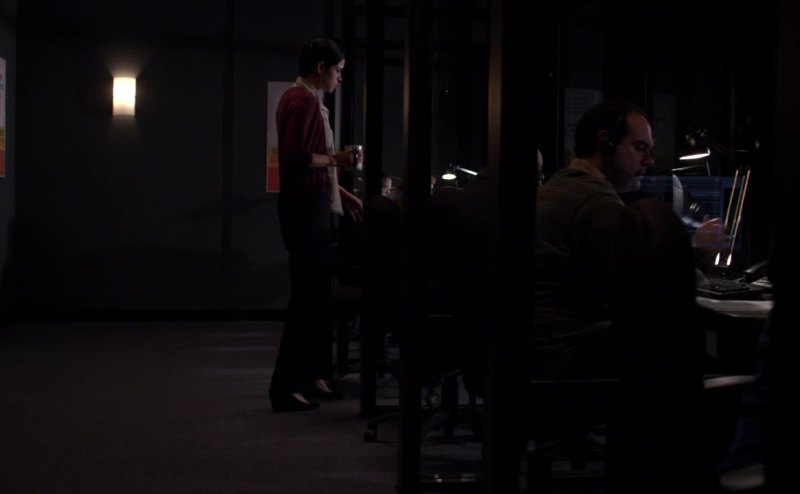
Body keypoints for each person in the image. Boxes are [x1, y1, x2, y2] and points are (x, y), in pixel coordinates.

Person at [531, 99, 656, 379]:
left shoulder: (562, 184)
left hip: (530, 352)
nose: (649, 160)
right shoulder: (597, 202)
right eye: (640, 148)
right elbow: (650, 281)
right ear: (605, 142)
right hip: (560, 358)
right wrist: (700, 254)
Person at [270, 38, 363, 413]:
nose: (340, 78)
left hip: (306, 206)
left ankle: (310, 376)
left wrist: (344, 193)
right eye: (338, 71)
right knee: (306, 299)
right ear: (321, 68)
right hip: (306, 210)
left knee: (314, 297)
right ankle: (285, 387)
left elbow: (306, 163)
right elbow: (297, 159)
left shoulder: (298, 98)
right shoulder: (304, 101)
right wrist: (339, 159)